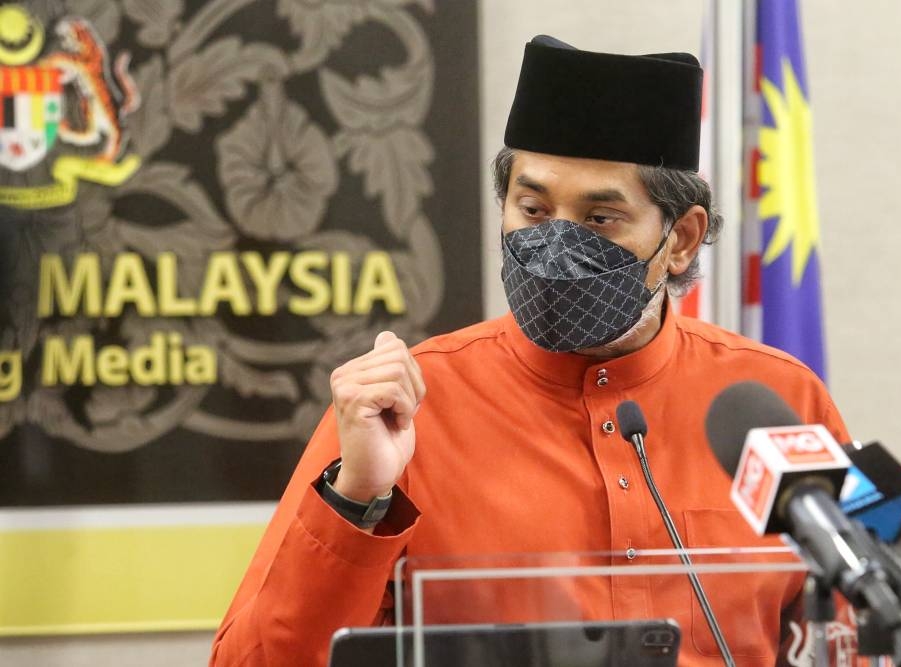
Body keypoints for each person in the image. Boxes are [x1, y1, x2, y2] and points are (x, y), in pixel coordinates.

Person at [211, 35, 852, 666]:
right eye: (533, 209)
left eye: (600, 219)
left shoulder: (777, 401)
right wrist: (359, 496)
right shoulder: (404, 407)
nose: (558, 246)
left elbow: (851, 637)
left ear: (681, 239)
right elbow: (253, 660)